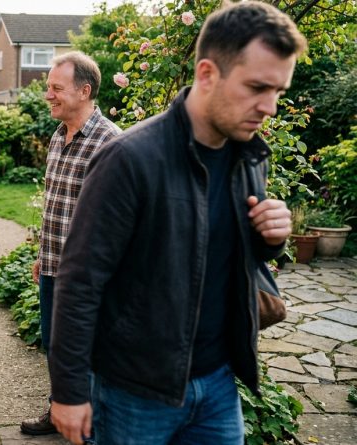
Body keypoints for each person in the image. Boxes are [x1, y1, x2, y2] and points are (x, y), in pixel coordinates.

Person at [48, 2, 306, 444]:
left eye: (278, 91)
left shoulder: (249, 156)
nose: (270, 107)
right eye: (257, 87)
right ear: (207, 73)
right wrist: (69, 391)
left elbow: (222, 250)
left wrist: (268, 239)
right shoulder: (128, 159)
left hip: (219, 384)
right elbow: (80, 279)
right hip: (135, 392)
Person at [20, 51, 121, 436]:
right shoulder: (58, 137)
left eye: (56, 88)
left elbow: (116, 221)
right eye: (48, 87)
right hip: (53, 266)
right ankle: (59, 411)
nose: (48, 95)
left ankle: (93, 430)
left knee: (91, 353)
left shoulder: (110, 143)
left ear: (84, 90)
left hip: (90, 278)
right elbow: (57, 206)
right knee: (56, 348)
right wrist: (42, 255)